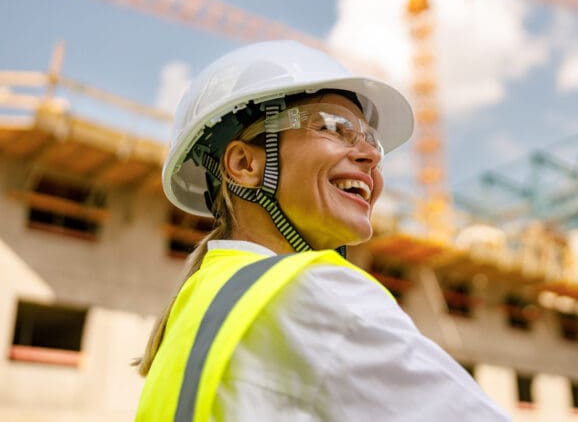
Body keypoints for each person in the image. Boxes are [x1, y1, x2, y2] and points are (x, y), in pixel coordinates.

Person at [135, 41, 510, 422]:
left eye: (371, 140)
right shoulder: (313, 291)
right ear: (245, 163)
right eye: (335, 126)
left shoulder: (196, 308)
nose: (373, 156)